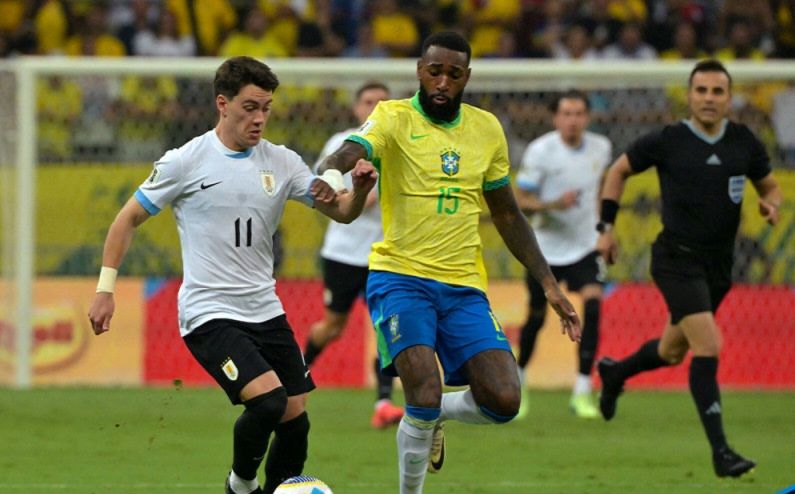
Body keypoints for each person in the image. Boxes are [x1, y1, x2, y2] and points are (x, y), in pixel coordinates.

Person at [87, 56, 377, 494]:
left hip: (264, 308)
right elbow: (125, 220)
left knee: (295, 420)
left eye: (266, 108)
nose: (259, 118)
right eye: (249, 107)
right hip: (209, 313)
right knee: (268, 402)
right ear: (222, 104)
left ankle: (280, 489)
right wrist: (105, 290)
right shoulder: (185, 161)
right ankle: (240, 485)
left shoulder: (282, 162)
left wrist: (361, 191)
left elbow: (341, 212)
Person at [318, 31, 582, 493]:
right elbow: (352, 148)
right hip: (399, 278)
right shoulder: (393, 116)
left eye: (453, 74)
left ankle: (436, 414)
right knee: (421, 389)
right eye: (434, 71)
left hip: (463, 287)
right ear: (420, 70)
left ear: (467, 77)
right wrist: (333, 172)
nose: (442, 82)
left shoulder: (486, 129)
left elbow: (506, 212)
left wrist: (548, 283)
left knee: (503, 400)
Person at [595, 59, 782, 479]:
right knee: (709, 346)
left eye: (717, 91)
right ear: (689, 95)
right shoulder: (669, 140)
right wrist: (605, 229)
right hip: (676, 261)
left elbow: (769, 184)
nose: (709, 99)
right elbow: (618, 171)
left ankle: (615, 372)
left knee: (671, 350)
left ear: (729, 98)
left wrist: (772, 204)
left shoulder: (744, 142)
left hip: (719, 266)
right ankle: (722, 452)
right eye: (701, 91)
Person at [302, 81, 405, 429]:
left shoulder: (399, 144)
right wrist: (358, 195)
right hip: (344, 253)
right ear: (356, 108)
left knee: (387, 329)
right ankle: (296, 377)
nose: (375, 106)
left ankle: (383, 404)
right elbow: (323, 184)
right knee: (333, 326)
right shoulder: (341, 145)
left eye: (382, 102)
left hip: (385, 255)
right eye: (368, 101)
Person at [514, 89, 612, 419]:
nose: (573, 120)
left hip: (585, 246)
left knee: (594, 306)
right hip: (546, 251)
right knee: (537, 317)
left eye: (579, 113)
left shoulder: (601, 148)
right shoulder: (541, 151)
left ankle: (583, 390)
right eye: (566, 113)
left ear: (587, 117)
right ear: (556, 118)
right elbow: (521, 201)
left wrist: (604, 231)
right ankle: (520, 379)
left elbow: (600, 192)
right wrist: (554, 205)